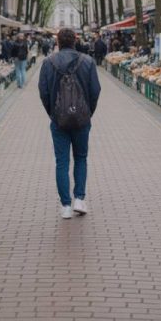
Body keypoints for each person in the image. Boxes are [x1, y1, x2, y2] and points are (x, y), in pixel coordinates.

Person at [38, 28, 101, 219]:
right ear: (75, 41)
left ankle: (65, 205)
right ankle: (79, 199)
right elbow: (95, 90)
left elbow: (43, 91)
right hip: (82, 119)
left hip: (58, 120)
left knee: (62, 161)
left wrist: (53, 113)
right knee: (81, 158)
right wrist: (87, 112)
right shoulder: (88, 62)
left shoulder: (48, 62)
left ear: (58, 42)